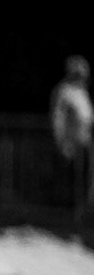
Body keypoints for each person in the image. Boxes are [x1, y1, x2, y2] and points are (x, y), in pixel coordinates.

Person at [50, 55, 92, 199]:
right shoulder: (64, 91)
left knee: (83, 179)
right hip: (71, 141)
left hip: (84, 140)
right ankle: (66, 212)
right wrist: (62, 141)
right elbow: (58, 118)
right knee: (70, 179)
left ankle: (80, 211)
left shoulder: (81, 91)